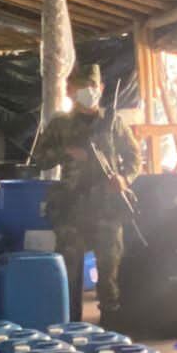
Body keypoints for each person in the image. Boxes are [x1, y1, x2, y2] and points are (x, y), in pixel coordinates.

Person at [32, 63, 142, 323]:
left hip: (107, 209)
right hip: (72, 209)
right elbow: (39, 160)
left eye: (93, 87)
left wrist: (123, 179)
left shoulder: (112, 122)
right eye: (81, 87)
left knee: (109, 274)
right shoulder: (60, 125)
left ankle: (111, 329)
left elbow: (135, 158)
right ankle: (70, 326)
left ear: (101, 88)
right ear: (70, 90)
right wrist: (66, 152)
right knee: (69, 275)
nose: (88, 92)